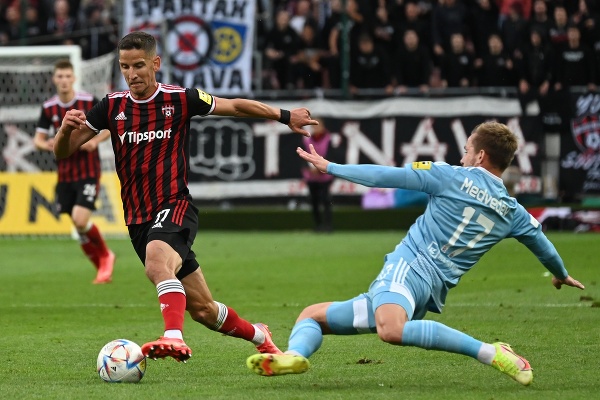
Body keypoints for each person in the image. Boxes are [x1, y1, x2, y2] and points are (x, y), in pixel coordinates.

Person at [246, 121, 585, 385]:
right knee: (312, 315)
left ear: (480, 156)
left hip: (408, 270)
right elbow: (543, 245)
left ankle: (491, 353)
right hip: (428, 292)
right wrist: (559, 273)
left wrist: (330, 166)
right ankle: (293, 355)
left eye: (467, 149)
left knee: (391, 331)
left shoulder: (449, 175)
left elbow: (386, 175)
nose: (462, 156)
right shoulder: (513, 211)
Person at [53, 31, 318, 363]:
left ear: (156, 63)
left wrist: (284, 115)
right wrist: (64, 130)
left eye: (138, 65)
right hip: (137, 219)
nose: (132, 74)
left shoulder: (181, 99)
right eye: (125, 67)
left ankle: (172, 337)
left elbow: (234, 106)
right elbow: (63, 152)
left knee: (156, 264)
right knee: (204, 310)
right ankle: (260, 336)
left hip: (174, 204)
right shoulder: (111, 106)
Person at [34, 59, 115, 284]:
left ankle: (107, 256)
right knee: (79, 229)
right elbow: (38, 140)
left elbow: (110, 126)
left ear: (74, 78)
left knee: (81, 221)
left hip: (88, 170)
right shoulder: (48, 107)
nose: (64, 80)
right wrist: (50, 143)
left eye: (67, 76)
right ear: (54, 79)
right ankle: (101, 267)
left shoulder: (88, 101)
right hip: (65, 173)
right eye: (60, 76)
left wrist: (94, 141)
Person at [301, 118, 334, 232]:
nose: (315, 128)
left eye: (317, 126)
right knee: (314, 201)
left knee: (326, 200)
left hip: (325, 176)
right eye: (313, 126)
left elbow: (331, 155)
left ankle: (328, 225)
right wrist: (311, 168)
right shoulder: (306, 140)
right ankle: (318, 225)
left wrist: (320, 168)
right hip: (311, 176)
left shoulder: (328, 139)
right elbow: (302, 155)